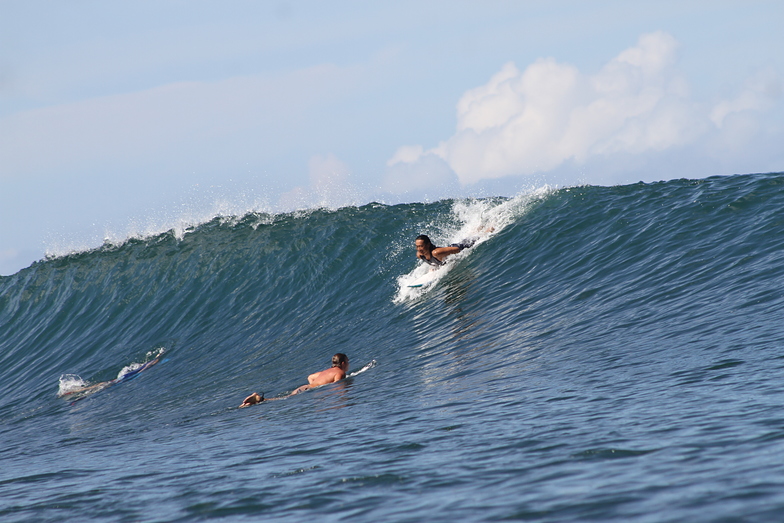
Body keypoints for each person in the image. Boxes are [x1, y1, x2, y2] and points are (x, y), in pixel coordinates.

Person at [239, 353, 349, 407]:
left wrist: (314, 387)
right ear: (343, 363)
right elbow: (337, 387)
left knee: (284, 398)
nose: (348, 364)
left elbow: (310, 377)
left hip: (304, 388)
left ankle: (254, 402)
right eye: (348, 361)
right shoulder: (340, 372)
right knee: (282, 399)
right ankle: (259, 398)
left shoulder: (326, 371)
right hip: (306, 390)